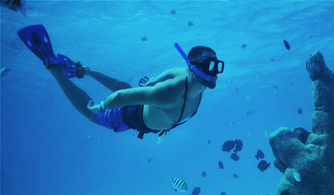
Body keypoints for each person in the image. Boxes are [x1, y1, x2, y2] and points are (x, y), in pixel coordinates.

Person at [17, 25, 224, 139]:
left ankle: (86, 70)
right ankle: (56, 72)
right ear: (193, 66)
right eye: (209, 64)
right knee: (93, 114)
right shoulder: (169, 92)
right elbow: (122, 97)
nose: (214, 72)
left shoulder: (196, 80)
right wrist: (101, 106)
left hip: (146, 111)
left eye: (216, 65)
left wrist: (153, 80)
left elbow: (173, 69)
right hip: (128, 117)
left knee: (133, 90)